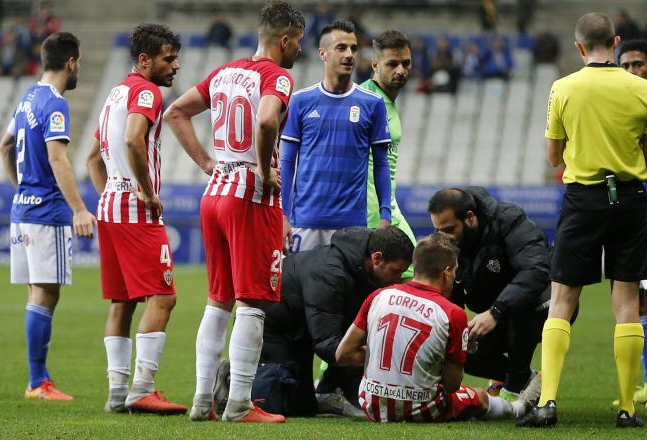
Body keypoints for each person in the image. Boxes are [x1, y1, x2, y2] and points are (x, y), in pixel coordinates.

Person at [163, 0, 305, 423]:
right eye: (298, 42)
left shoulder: (225, 72)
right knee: (254, 302)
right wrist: (264, 172)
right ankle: (240, 404)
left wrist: (207, 163)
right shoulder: (278, 77)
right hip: (248, 194)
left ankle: (203, 400)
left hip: (216, 188)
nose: (298, 49)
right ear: (284, 40)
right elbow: (264, 122)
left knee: (218, 299)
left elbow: (176, 112)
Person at [518, 13, 647, 428]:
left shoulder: (563, 88)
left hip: (582, 199)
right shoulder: (642, 88)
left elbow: (554, 157)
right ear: (616, 41)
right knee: (627, 302)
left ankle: (549, 402)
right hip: (630, 199)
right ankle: (628, 408)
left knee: (562, 299)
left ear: (578, 47)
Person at [86, 23, 186, 415]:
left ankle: (116, 393)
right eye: (168, 58)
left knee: (122, 302)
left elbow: (94, 158)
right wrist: (144, 191)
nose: (175, 65)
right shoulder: (145, 91)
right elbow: (132, 139)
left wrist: (112, 194)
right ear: (144, 60)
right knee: (164, 296)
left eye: (176, 57)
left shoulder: (116, 92)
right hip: (133, 208)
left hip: (110, 205)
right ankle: (142, 389)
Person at [335, 232, 541, 423]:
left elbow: (343, 353)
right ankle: (518, 408)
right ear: (447, 271)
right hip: (421, 408)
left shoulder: (378, 296)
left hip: (372, 406)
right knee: (478, 396)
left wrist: (392, 362)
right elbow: (451, 386)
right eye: (455, 271)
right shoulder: (451, 313)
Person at [0, 32, 96, 400]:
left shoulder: (27, 98)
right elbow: (58, 158)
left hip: (23, 209)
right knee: (45, 294)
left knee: (35, 293)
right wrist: (80, 209)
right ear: (70, 62)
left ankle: (37, 378)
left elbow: (7, 145)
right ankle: (38, 382)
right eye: (79, 64)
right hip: (46, 212)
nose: (78, 70)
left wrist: (19, 186)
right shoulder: (55, 103)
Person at [257, 226, 413, 417]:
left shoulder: (365, 265)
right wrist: (385, 360)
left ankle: (329, 389)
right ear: (377, 258)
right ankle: (231, 377)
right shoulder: (330, 275)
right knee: (290, 406)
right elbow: (327, 343)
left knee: (306, 405)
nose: (398, 280)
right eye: (396, 271)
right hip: (276, 326)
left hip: (307, 324)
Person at [428, 187, 551, 400]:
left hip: (542, 306)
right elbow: (449, 300)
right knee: (458, 347)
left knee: (526, 310)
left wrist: (496, 311)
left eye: (448, 230)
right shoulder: (448, 243)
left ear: (470, 218)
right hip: (495, 315)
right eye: (438, 231)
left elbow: (536, 271)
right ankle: (526, 380)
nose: (443, 238)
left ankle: (512, 388)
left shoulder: (509, 221)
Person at [280, 21, 392, 253]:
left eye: (353, 48)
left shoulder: (373, 103)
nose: (350, 54)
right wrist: (282, 216)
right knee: (299, 290)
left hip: (352, 227)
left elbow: (381, 164)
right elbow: (287, 163)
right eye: (341, 48)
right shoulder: (300, 101)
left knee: (348, 290)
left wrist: (385, 216)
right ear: (323, 53)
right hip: (305, 223)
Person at [360, 30, 416, 279]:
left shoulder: (388, 102)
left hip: (388, 206)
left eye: (406, 63)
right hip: (370, 212)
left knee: (414, 273)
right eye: (392, 64)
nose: (401, 70)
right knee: (401, 277)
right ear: (375, 64)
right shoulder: (364, 101)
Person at [617, 38, 647, 407]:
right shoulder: (620, 114)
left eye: (638, 65)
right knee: (639, 298)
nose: (632, 72)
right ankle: (643, 381)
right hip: (634, 210)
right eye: (625, 66)